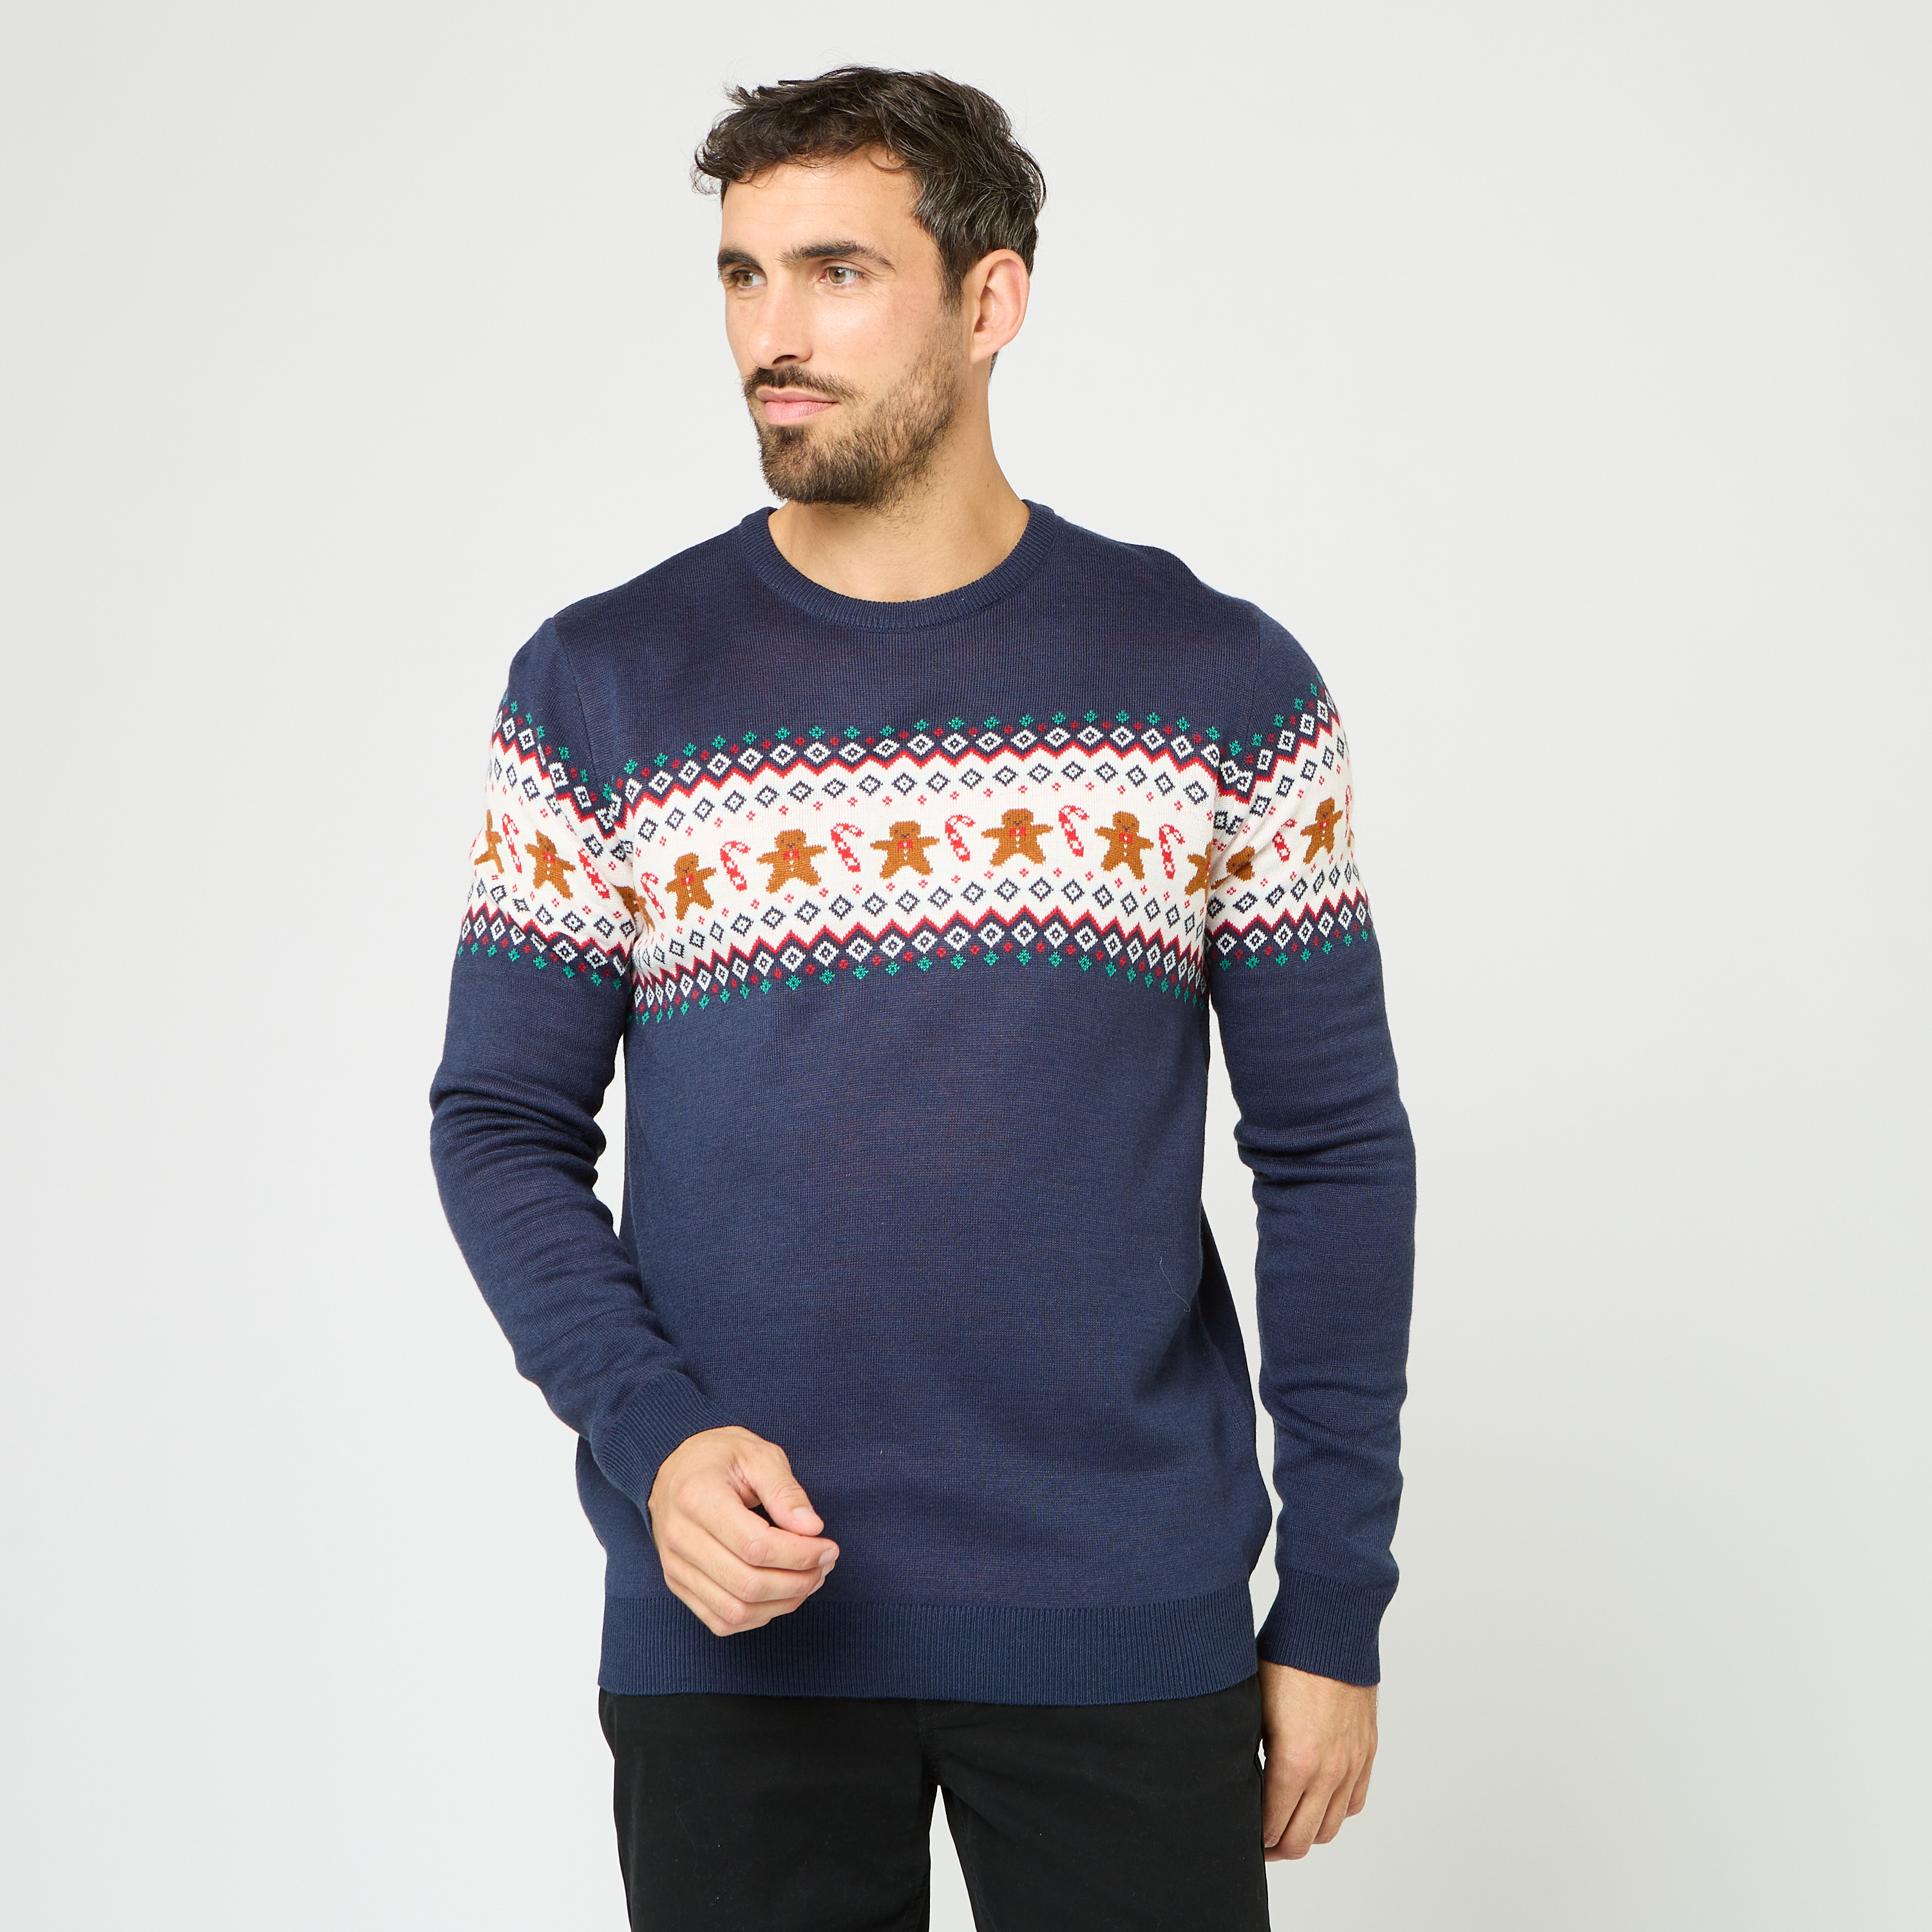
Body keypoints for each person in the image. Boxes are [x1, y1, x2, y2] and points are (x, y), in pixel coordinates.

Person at [430, 64, 1415, 1931]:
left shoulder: (1216, 684)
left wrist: (1337, 1608)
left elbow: (1334, 1155)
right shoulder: (603, 685)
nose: (773, 337)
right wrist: (654, 1440)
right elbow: (498, 1122)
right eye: (742, 277)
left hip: (1125, 1612)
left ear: (990, 299)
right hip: (739, 1624)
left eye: (837, 272)